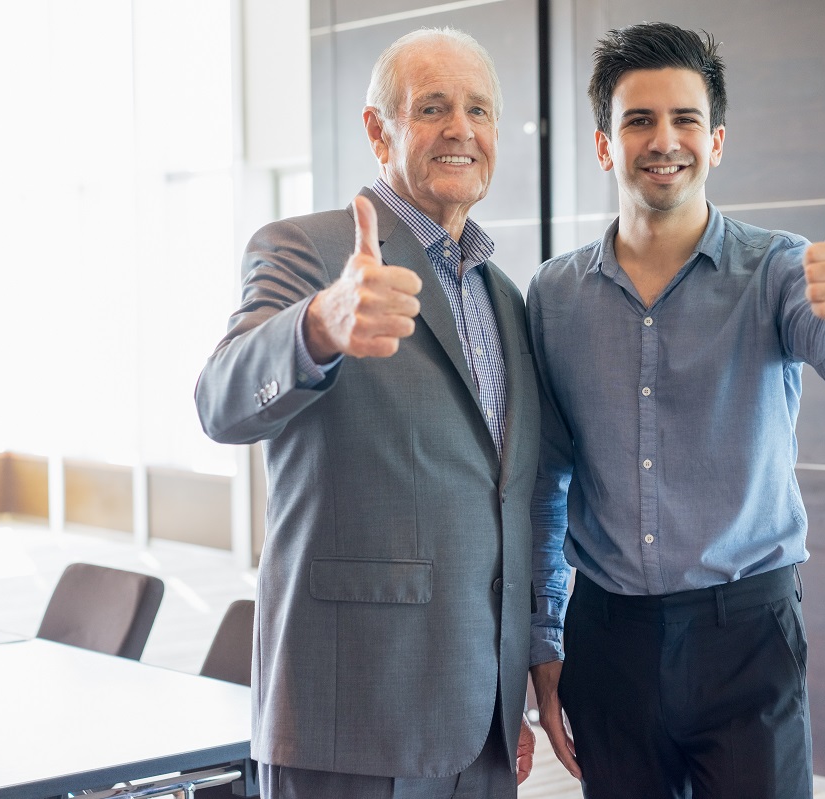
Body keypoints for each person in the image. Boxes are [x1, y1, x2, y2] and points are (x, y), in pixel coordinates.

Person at [528, 22, 825, 799]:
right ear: (605, 145)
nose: (663, 140)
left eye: (685, 119)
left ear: (717, 141)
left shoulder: (776, 269)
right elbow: (545, 484)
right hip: (610, 634)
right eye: (638, 119)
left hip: (747, 635)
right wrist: (543, 637)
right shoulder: (554, 295)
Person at [195, 27, 539, 799]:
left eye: (479, 109)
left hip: (478, 719)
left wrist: (502, 685)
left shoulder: (507, 300)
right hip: (350, 715)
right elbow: (219, 400)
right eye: (433, 108)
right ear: (378, 130)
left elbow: (502, 499)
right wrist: (318, 323)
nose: (462, 128)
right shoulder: (307, 252)